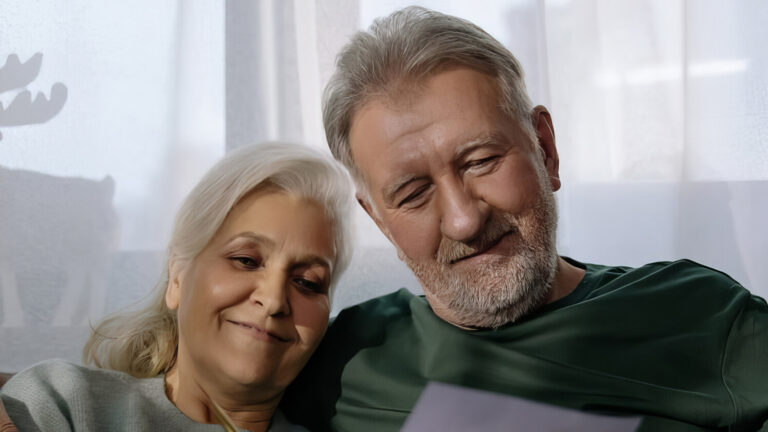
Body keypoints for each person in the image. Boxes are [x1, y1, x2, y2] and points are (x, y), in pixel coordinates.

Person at [281, 7, 768, 432]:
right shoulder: (342, 360)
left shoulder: (698, 316)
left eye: (481, 161)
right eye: (413, 193)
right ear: (380, 221)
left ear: (545, 149)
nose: (464, 220)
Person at [0, 142, 355, 431]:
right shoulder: (64, 405)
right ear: (177, 277)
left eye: (308, 282)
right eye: (246, 260)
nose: (274, 299)